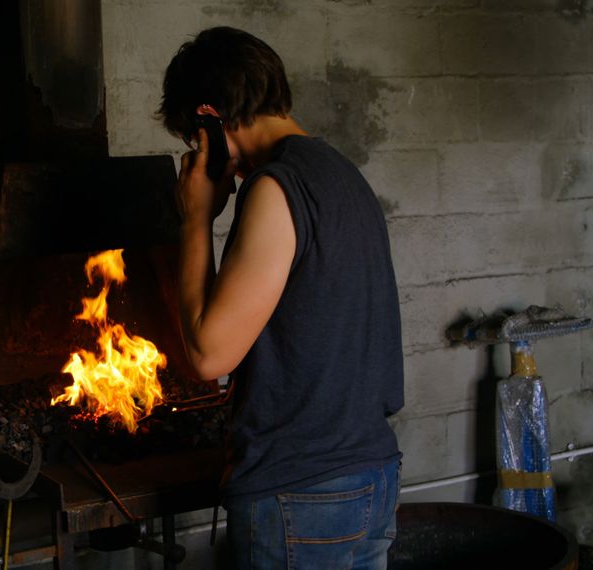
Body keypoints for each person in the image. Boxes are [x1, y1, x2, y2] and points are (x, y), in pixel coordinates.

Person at [159, 27, 405, 569]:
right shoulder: (343, 174)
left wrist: (196, 217)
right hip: (371, 476)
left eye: (194, 139)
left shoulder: (274, 187)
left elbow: (208, 355)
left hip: (304, 492)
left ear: (209, 118)